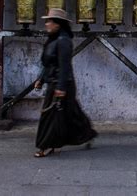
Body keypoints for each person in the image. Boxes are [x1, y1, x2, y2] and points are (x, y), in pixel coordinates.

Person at [34, 8, 97, 157]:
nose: (47, 24)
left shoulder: (63, 41)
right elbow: (49, 64)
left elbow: (64, 66)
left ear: (58, 24)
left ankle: (47, 145)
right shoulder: (53, 39)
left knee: (50, 116)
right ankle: (87, 133)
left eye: (50, 21)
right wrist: (41, 79)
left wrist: (61, 87)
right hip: (53, 81)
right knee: (71, 114)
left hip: (62, 84)